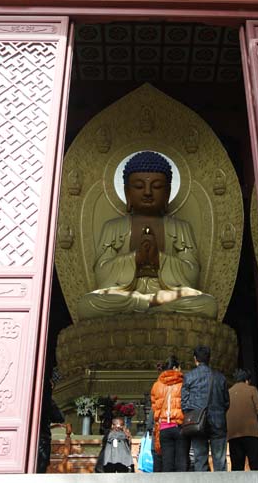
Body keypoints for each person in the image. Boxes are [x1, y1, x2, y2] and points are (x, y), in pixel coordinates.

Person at [75, 150, 217, 319]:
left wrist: (159, 258)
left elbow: (192, 274)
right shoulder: (113, 228)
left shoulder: (180, 228)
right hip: (126, 295)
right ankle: (150, 305)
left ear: (168, 192)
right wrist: (136, 258)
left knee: (208, 304)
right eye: (139, 186)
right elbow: (101, 273)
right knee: (88, 303)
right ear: (127, 192)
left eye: (157, 186)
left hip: (167, 295)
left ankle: (149, 306)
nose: (148, 192)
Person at [181, 344, 229, 472]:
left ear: (195, 359)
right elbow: (226, 402)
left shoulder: (189, 377)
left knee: (200, 459)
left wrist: (192, 413)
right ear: (209, 358)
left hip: (197, 422)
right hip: (218, 421)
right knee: (220, 460)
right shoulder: (220, 377)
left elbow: (184, 403)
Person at [151, 355, 188, 472]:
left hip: (163, 428)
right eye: (179, 367)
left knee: (167, 463)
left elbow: (154, 407)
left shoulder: (156, 385)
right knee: (181, 462)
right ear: (175, 368)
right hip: (179, 426)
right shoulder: (184, 383)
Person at [226, 368, 258, 471]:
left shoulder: (228, 392)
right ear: (247, 380)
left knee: (237, 468)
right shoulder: (251, 389)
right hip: (251, 432)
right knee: (256, 466)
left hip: (233, 434)